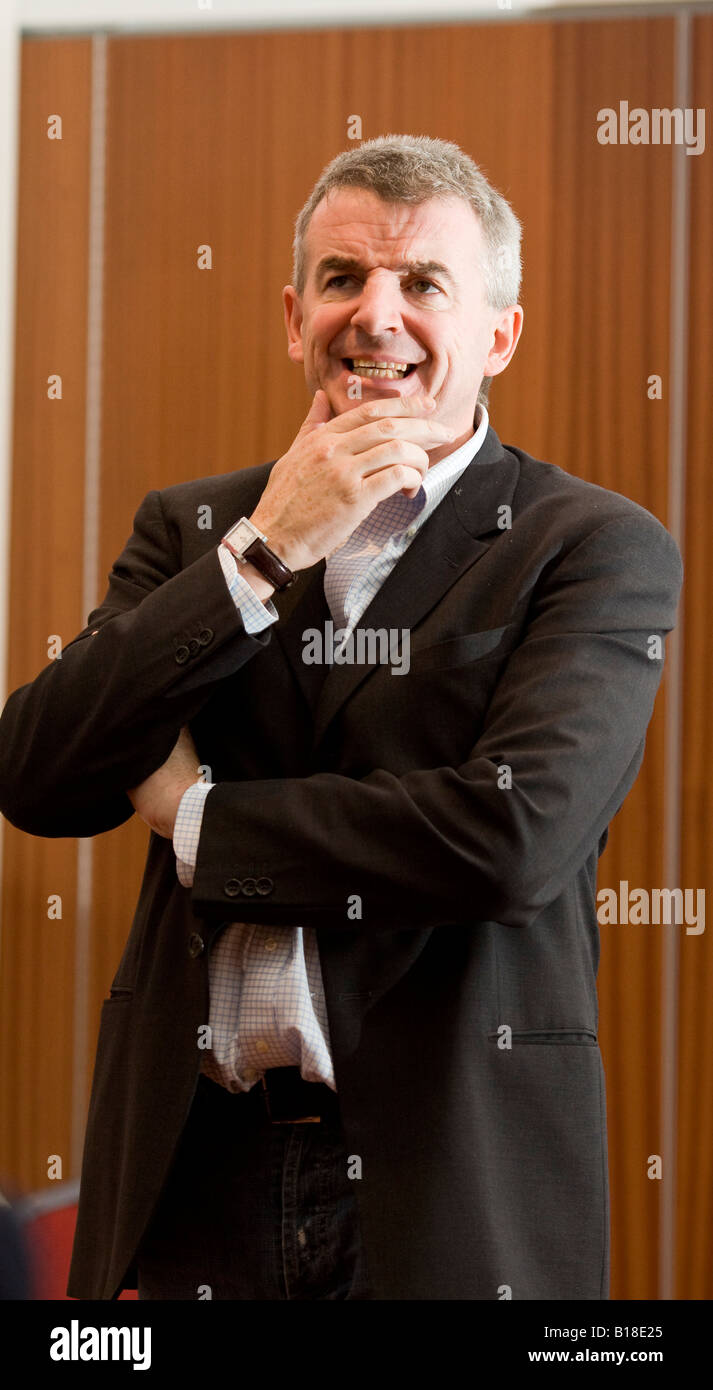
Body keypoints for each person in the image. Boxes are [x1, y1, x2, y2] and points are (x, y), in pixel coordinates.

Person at [0, 134, 682, 1301]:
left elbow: (503, 838)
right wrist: (262, 554)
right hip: (196, 1178)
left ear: (498, 334)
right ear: (292, 314)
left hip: (448, 1186)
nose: (375, 316)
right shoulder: (196, 528)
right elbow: (39, 771)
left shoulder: (591, 547)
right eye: (340, 279)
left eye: (422, 283)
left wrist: (198, 819)